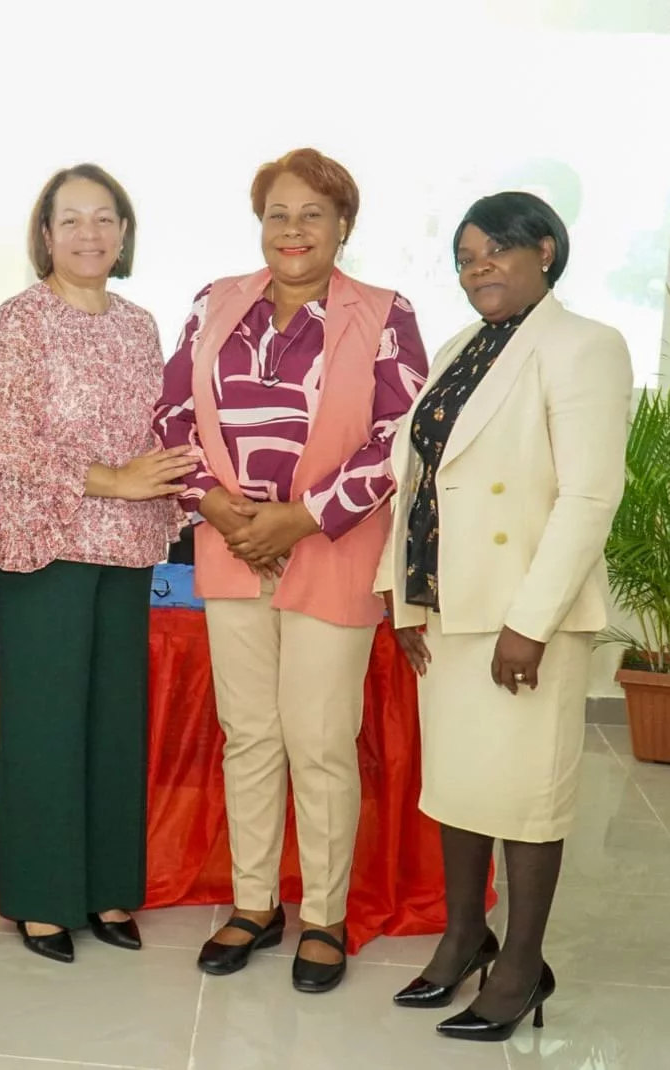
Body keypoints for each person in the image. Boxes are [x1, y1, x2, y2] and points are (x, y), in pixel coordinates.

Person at [154, 148, 427, 992]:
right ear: (258, 223)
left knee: (317, 741)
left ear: (343, 226)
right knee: (250, 736)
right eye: (278, 212)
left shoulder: (383, 313)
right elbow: (170, 412)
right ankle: (252, 903)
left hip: (332, 550)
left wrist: (301, 518)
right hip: (231, 546)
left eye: (313, 213)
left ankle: (324, 916)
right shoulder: (213, 304)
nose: (294, 229)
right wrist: (217, 506)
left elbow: (400, 435)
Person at [379, 192, 632, 1041]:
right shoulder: (461, 347)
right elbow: (415, 483)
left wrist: (531, 619)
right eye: (464, 256)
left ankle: (521, 964)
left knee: (524, 794)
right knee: (457, 785)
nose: (476, 267)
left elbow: (590, 493)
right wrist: (400, 591)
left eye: (493, 251)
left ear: (546, 251)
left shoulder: (583, 345)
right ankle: (463, 933)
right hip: (446, 603)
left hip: (523, 613)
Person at [0, 164, 188, 963]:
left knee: (112, 721)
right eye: (71, 221)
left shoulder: (140, 325)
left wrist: (156, 487)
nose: (89, 234)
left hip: (127, 546)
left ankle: (105, 889)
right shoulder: (21, 320)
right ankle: (39, 897)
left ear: (123, 233)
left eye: (104, 219)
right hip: (45, 542)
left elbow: (160, 433)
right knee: (45, 724)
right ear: (45, 235)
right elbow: (10, 441)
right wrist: (113, 479)